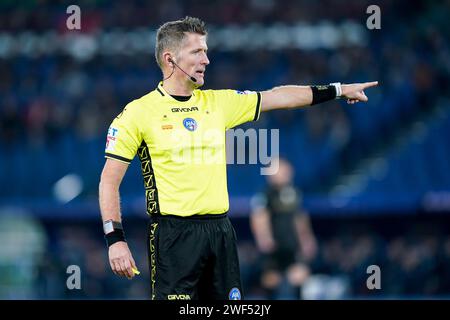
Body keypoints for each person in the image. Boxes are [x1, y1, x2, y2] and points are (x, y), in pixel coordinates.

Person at [98, 16, 378, 300]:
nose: (206, 60)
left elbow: (278, 97)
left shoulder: (218, 103)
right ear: (170, 59)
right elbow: (109, 180)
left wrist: (339, 90)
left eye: (206, 51)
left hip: (220, 231)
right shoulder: (137, 113)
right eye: (197, 52)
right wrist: (115, 240)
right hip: (173, 236)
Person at [250, 158, 317, 299]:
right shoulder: (265, 194)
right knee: (271, 279)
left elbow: (300, 218)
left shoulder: (294, 193)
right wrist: (264, 238)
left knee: (299, 277)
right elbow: (259, 217)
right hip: (274, 246)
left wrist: (306, 239)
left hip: (292, 245)